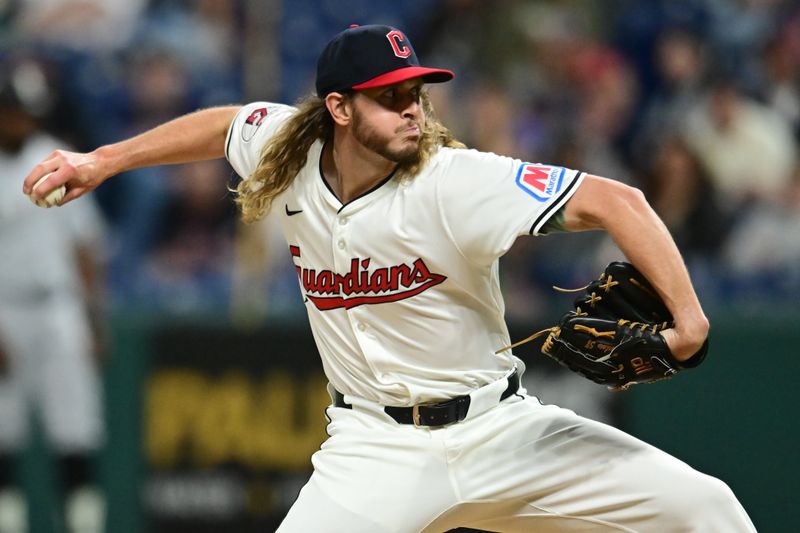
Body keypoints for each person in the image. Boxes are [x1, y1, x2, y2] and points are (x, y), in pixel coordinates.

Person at [23, 25, 755, 532]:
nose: (412, 109)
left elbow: (619, 200)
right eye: (390, 96)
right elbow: (224, 125)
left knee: (706, 508)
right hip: (375, 449)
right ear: (338, 109)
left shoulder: (456, 180)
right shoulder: (291, 149)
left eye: (416, 92)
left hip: (503, 432)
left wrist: (689, 322)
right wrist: (102, 160)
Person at [0, 57, 106, 533]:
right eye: (14, 110)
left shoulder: (57, 157)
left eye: (29, 110)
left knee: (76, 425)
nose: (22, 119)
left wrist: (94, 320)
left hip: (59, 305)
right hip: (5, 308)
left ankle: (83, 524)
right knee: (4, 432)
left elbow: (85, 247)